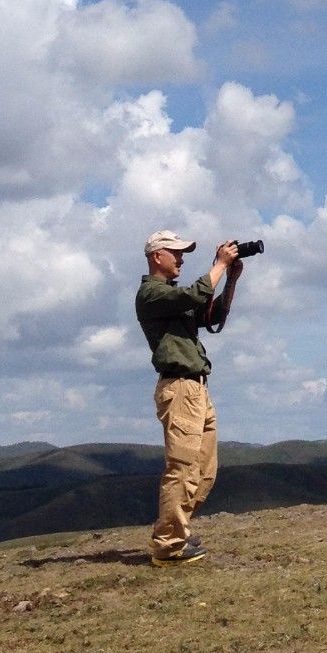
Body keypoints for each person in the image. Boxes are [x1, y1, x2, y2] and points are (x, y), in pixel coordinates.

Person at [134, 230, 244, 566]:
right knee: (182, 467)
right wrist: (220, 265)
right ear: (157, 256)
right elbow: (197, 295)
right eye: (176, 253)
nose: (181, 259)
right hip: (179, 387)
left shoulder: (170, 297)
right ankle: (168, 547)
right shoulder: (151, 294)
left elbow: (210, 317)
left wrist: (231, 279)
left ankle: (176, 531)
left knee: (205, 470)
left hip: (197, 387)